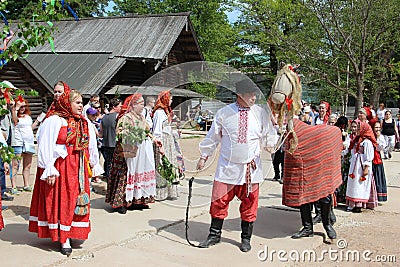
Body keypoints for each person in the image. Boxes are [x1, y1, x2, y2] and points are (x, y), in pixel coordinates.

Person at [196, 79, 276, 252]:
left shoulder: (261, 113)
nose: (254, 98)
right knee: (219, 201)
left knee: (250, 203)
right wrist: (204, 156)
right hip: (227, 168)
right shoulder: (224, 113)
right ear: (240, 95)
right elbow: (213, 137)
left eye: (255, 94)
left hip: (250, 169)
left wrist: (272, 143)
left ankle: (246, 238)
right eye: (251, 95)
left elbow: (269, 135)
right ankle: (214, 235)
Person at [29, 88, 103, 256]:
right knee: (64, 200)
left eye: (82, 103)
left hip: (78, 167)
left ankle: (71, 231)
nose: (80, 106)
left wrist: (94, 164)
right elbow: (45, 143)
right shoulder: (55, 120)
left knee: (76, 199)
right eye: (77, 102)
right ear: (67, 103)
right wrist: (49, 168)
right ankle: (63, 238)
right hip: (61, 165)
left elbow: (90, 145)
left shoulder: (83, 122)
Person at [106, 94, 157, 214]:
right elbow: (119, 132)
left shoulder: (141, 118)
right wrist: (129, 134)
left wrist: (154, 138)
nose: (143, 106)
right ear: (133, 105)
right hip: (126, 152)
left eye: (143, 104)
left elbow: (146, 131)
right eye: (141, 104)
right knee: (124, 175)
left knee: (137, 174)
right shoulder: (125, 117)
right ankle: (121, 203)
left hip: (139, 153)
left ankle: (136, 200)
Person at [152, 90, 182, 201]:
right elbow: (157, 131)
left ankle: (170, 191)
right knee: (162, 164)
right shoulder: (159, 113)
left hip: (168, 140)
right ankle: (161, 192)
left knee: (170, 163)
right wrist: (160, 147)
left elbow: (167, 127)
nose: (171, 101)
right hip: (163, 142)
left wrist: (175, 134)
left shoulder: (165, 111)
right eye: (170, 99)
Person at [346, 121, 378, 213]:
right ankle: (351, 203)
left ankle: (358, 204)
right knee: (353, 183)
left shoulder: (367, 142)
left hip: (361, 166)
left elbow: (369, 156)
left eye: (359, 128)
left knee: (360, 184)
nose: (357, 130)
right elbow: (352, 150)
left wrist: (366, 168)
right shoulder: (356, 139)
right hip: (354, 165)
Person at [9, 98, 35, 195]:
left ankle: (26, 184)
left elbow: (30, 128)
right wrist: (15, 109)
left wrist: (37, 122)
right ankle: (13, 186)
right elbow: (15, 121)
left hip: (29, 143)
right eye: (21, 106)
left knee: (27, 165)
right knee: (15, 165)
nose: (23, 108)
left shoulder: (28, 117)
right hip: (18, 142)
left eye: (24, 106)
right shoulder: (14, 114)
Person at [99, 98, 122, 181]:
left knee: (108, 164)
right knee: (116, 166)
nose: (121, 108)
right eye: (120, 106)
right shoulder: (118, 117)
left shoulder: (104, 118)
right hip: (115, 145)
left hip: (106, 145)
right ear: (114, 107)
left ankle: (109, 182)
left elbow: (101, 133)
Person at [370, 120, 388, 202]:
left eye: (378, 127)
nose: (377, 129)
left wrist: (378, 138)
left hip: (377, 159)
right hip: (371, 159)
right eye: (376, 127)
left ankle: (379, 196)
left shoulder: (381, 137)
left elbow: (381, 147)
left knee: (378, 177)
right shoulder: (370, 136)